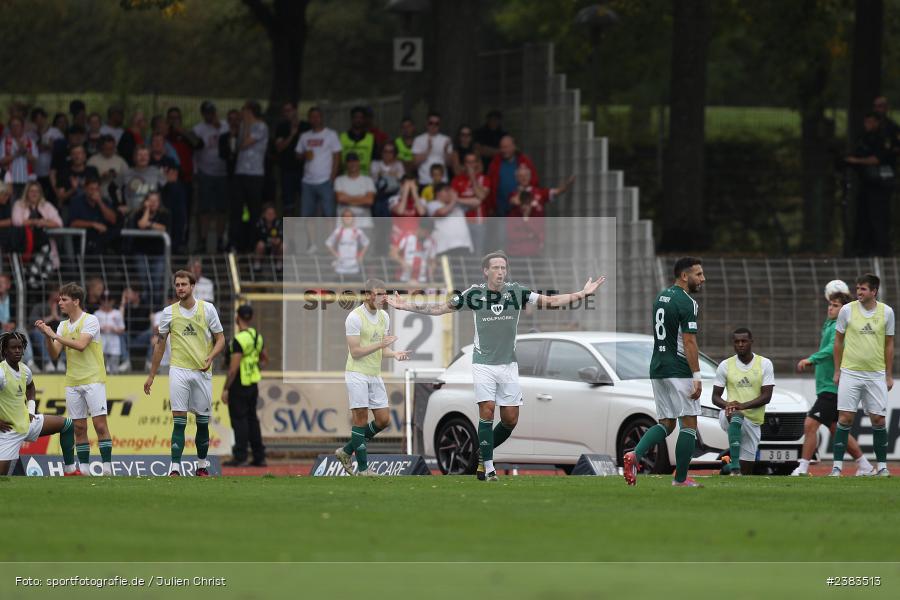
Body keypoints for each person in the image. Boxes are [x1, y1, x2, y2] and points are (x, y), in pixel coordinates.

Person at [388, 251, 604, 481]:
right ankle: (488, 466)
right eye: (496, 268)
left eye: (503, 268)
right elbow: (439, 308)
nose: (501, 271)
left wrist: (582, 293)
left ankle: (483, 451)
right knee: (488, 410)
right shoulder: (474, 294)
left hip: (508, 365)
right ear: (486, 271)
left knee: (510, 419)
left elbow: (550, 301)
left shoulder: (517, 292)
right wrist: (406, 305)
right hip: (483, 364)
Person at [624, 257, 705, 487]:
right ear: (684, 276)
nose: (702, 279)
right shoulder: (687, 302)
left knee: (667, 424)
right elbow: (689, 341)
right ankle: (680, 480)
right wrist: (697, 376)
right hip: (678, 369)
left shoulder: (661, 297)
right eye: (698, 274)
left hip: (658, 367)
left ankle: (635, 455)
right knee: (689, 425)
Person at [144, 270, 226, 477]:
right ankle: (174, 468)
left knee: (202, 421)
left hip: (202, 372)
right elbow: (160, 345)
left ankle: (201, 465)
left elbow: (221, 339)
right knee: (178, 419)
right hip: (178, 370)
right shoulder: (169, 312)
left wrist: (211, 357)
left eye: (183, 284)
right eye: (177, 285)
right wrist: (152, 375)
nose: (180, 288)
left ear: (192, 286)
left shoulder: (207, 309)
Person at [34, 283, 113, 476]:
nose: (60, 302)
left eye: (64, 299)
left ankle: (107, 467)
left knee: (100, 425)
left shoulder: (90, 320)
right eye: (60, 299)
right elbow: (54, 354)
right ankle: (84, 469)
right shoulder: (62, 325)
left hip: (93, 379)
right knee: (79, 426)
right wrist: (47, 337)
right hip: (72, 381)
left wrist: (54, 336)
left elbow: (81, 345)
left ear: (76, 301)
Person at [793, 291, 873, 476]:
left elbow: (832, 348)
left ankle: (803, 467)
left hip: (832, 387)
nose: (830, 307)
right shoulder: (830, 324)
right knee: (837, 429)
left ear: (844, 309)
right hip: (828, 387)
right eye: (830, 304)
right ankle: (865, 466)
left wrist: (811, 359)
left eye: (835, 305)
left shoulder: (840, 325)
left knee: (810, 424)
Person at [334, 279, 409, 475]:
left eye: (385, 293)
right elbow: (356, 351)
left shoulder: (384, 316)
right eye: (380, 293)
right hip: (357, 373)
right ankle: (364, 469)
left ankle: (346, 451)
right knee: (360, 419)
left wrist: (394, 353)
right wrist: (382, 345)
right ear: (368, 295)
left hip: (374, 374)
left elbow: (382, 350)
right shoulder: (354, 317)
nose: (384, 297)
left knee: (383, 420)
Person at [831, 273, 893, 477]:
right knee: (845, 418)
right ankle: (837, 467)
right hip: (851, 373)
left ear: (874, 291)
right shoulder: (847, 311)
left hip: (876, 374)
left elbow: (889, 344)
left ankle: (882, 467)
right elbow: (838, 341)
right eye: (857, 288)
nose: (858, 292)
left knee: (879, 420)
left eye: (863, 289)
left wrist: (889, 375)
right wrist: (838, 370)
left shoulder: (887, 312)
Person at [0, 332, 80, 476]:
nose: (18, 351)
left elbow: (31, 387)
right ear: (5, 350)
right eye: (13, 348)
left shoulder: (25, 370)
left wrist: (31, 410)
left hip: (27, 422)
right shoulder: (1, 373)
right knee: (2, 479)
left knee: (67, 425)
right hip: (9, 431)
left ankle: (70, 471)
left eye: (20, 347)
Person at [711, 328, 774, 476]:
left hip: (753, 421)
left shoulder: (765, 364)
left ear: (751, 342)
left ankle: (727, 467)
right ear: (733, 344)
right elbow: (715, 397)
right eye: (737, 341)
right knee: (735, 413)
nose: (740, 344)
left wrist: (742, 405)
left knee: (745, 472)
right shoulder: (725, 365)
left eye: (744, 341)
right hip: (729, 415)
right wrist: (728, 404)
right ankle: (733, 467)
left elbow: (767, 396)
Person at [222, 305, 267, 467]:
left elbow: (233, 369)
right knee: (252, 419)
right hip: (253, 382)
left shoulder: (238, 340)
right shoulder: (256, 336)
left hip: (239, 383)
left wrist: (226, 388)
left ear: (238, 317)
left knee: (239, 420)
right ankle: (259, 456)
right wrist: (254, 367)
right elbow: (264, 358)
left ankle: (240, 456)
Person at [846, 112, 895, 257]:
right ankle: (862, 248)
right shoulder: (864, 138)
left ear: (877, 123)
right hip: (866, 183)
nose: (867, 125)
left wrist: (856, 161)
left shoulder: (883, 138)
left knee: (879, 217)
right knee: (863, 216)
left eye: (871, 122)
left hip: (881, 185)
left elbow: (878, 159)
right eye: (866, 122)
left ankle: (881, 249)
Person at [296, 107, 341, 253]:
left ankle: (330, 243)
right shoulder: (304, 136)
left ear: (321, 118)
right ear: (309, 119)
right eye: (312, 117)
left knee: (329, 215)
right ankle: (312, 244)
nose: (315, 119)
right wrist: (304, 156)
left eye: (317, 116)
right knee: (308, 215)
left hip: (325, 180)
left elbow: (337, 155)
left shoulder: (331, 134)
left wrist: (332, 177)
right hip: (308, 181)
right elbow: (297, 155)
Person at [231, 101, 268, 252]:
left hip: (255, 174)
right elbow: (237, 145)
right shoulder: (243, 126)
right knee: (237, 210)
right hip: (240, 173)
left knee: (254, 210)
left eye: (243, 110)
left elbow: (245, 143)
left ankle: (253, 243)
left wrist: (246, 124)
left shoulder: (261, 126)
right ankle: (236, 242)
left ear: (249, 111)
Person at [192, 101, 229, 252]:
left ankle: (220, 240)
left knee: (221, 209)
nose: (210, 115)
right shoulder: (198, 129)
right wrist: (195, 171)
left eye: (212, 112)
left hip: (223, 172)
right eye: (207, 113)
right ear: (202, 114)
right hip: (205, 171)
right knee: (205, 209)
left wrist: (218, 127)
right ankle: (203, 240)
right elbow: (193, 151)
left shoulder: (225, 126)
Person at [451, 151, 490, 255]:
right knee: (462, 254)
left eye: (473, 162)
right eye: (468, 162)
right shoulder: (457, 180)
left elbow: (481, 197)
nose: (471, 165)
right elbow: (453, 200)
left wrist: (473, 178)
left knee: (478, 254)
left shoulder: (484, 179)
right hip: (461, 223)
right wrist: (471, 201)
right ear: (464, 164)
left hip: (478, 222)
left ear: (477, 163)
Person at [273, 101, 308, 217]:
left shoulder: (306, 126)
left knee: (306, 203)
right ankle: (289, 233)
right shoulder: (281, 127)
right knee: (288, 204)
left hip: (304, 171)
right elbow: (279, 147)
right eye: (285, 111)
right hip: (287, 170)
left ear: (295, 110)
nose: (287, 113)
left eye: (289, 110)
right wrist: (292, 135)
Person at [426, 184, 476, 257]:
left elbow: (477, 202)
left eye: (450, 191)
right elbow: (442, 212)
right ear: (438, 193)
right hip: (444, 247)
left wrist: (457, 200)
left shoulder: (457, 203)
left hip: (464, 245)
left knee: (465, 268)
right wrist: (453, 201)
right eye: (446, 191)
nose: (449, 193)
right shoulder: (433, 204)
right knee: (447, 268)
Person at [334, 152, 375, 232]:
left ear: (358, 163)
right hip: (344, 224)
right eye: (349, 161)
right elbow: (340, 199)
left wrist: (348, 199)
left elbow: (370, 201)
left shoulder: (368, 180)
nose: (352, 163)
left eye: (354, 161)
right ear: (346, 164)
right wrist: (361, 198)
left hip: (364, 223)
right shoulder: (339, 180)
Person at [0, 116, 38, 198]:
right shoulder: (4, 142)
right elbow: (1, 161)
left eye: (17, 125)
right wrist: (16, 154)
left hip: (28, 180)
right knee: (12, 207)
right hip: (10, 181)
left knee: (27, 207)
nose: (15, 128)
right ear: (10, 128)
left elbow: (35, 160)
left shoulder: (31, 142)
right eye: (13, 126)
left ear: (22, 127)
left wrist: (24, 152)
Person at [411, 111, 452, 186]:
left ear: (440, 125)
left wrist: (445, 151)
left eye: (436, 124)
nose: (433, 126)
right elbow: (415, 163)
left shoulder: (446, 139)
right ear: (426, 124)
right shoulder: (418, 139)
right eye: (431, 123)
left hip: (442, 180)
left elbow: (449, 164)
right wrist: (428, 149)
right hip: (425, 181)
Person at [390, 217, 436, 283]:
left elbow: (432, 261)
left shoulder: (431, 242)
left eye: (430, 232)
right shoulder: (406, 236)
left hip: (422, 281)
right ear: (420, 229)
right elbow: (393, 254)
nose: (428, 234)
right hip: (403, 279)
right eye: (427, 232)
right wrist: (403, 263)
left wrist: (431, 271)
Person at [326, 210, 370, 277]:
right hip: (341, 266)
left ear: (353, 218)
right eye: (345, 216)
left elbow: (366, 243)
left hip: (354, 266)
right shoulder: (338, 231)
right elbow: (328, 243)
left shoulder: (358, 231)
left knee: (353, 286)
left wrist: (361, 255)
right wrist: (336, 255)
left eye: (350, 216)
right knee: (340, 286)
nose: (347, 218)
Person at [87, 135, 128, 204]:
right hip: (98, 197)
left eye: (111, 148)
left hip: (116, 198)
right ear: (101, 147)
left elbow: (128, 179)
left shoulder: (120, 161)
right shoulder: (92, 161)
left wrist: (117, 176)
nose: (109, 151)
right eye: (106, 148)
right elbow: (87, 182)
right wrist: (101, 177)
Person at [389, 174, 427, 242]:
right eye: (406, 185)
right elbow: (400, 211)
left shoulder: (421, 200)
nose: (410, 188)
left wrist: (414, 192)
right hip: (398, 236)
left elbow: (422, 212)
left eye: (413, 186)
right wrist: (405, 191)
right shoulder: (394, 199)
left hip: (415, 235)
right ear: (401, 185)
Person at [340, 106, 376, 176]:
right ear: (351, 119)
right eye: (356, 117)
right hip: (346, 177)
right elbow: (338, 160)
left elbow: (375, 160)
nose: (358, 120)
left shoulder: (371, 138)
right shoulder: (342, 137)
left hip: (365, 177)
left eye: (361, 118)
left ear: (364, 120)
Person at [95, 291, 125, 375]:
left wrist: (114, 329)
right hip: (101, 341)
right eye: (104, 300)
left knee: (114, 366)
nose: (106, 303)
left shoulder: (117, 313)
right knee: (100, 366)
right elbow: (92, 329)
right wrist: (100, 328)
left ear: (112, 301)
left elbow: (122, 329)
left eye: (108, 300)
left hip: (114, 342)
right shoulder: (97, 314)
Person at [254, 203, 283, 270]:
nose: (270, 216)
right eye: (268, 214)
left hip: (275, 248)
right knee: (260, 245)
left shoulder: (278, 223)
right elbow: (257, 237)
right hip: (264, 247)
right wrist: (269, 240)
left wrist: (279, 240)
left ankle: (279, 265)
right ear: (264, 214)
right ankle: (257, 266)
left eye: (272, 214)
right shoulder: (259, 223)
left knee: (283, 246)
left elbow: (281, 235)